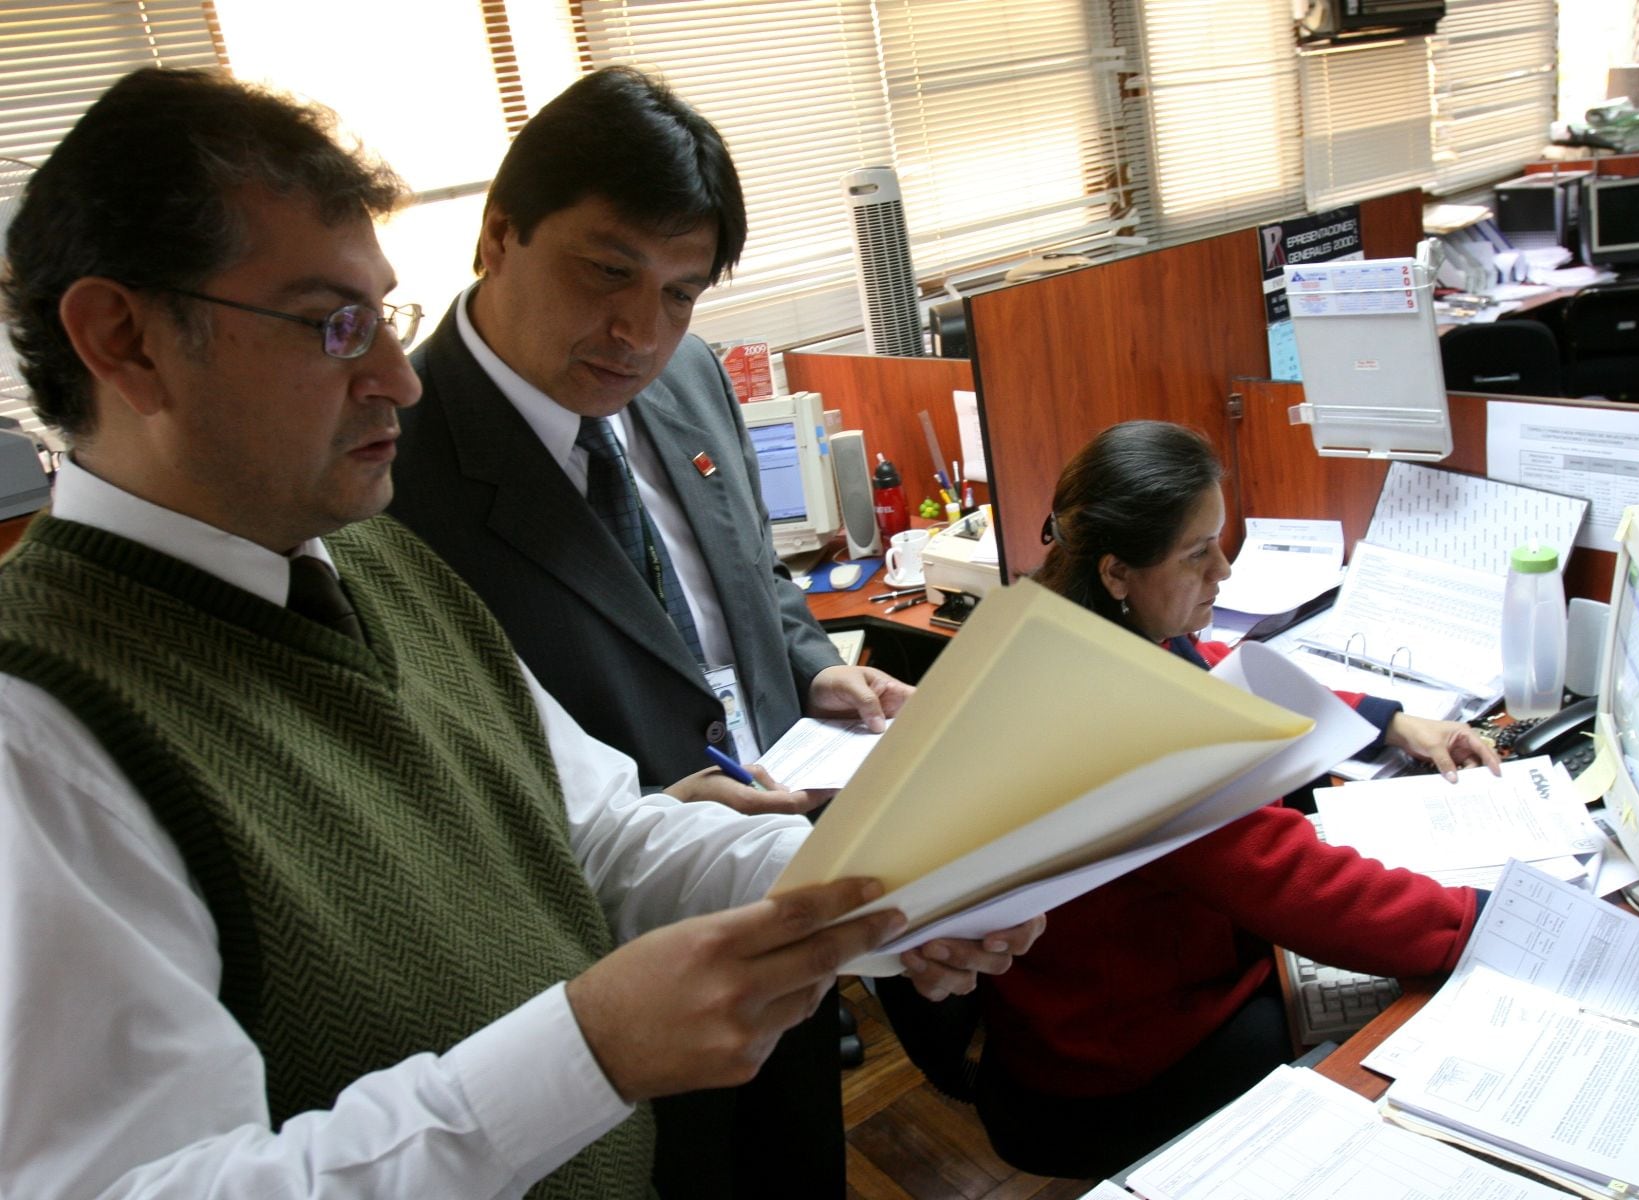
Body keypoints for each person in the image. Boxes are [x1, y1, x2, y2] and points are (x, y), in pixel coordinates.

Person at [0, 67, 1040, 1199]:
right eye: (331, 326)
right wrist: (590, 1050)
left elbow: (599, 836)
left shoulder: (374, 559)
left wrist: (895, 892)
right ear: (125, 340)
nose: (397, 377)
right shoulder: (40, 729)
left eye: (384, 318)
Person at [384, 66, 914, 1197]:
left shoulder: (684, 376)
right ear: (499, 235)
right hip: (608, 966)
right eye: (608, 271)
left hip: (777, 869)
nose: (640, 329)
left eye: (680, 290)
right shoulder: (392, 468)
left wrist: (818, 667)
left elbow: (747, 570)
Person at [972, 420, 1500, 1179]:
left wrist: (1387, 717)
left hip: (1061, 1018)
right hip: (1115, 1069)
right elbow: (1301, 887)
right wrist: (1482, 919)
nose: (1225, 570)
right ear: (1119, 571)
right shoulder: (1127, 729)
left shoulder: (1062, 625)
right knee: (1390, 1038)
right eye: (1199, 554)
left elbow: (1216, 671)